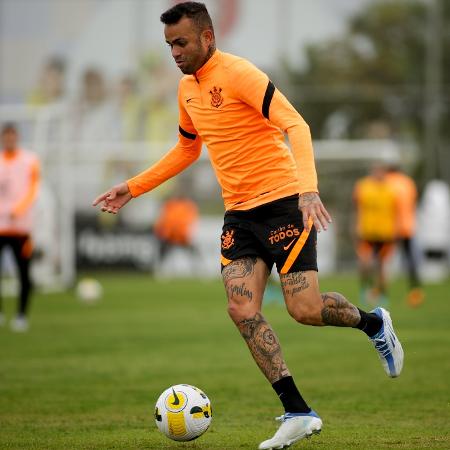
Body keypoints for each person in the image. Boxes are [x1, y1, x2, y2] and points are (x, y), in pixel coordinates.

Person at [93, 3, 404, 448]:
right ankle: (297, 411)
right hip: (239, 215)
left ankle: (374, 324)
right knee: (240, 308)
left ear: (208, 37)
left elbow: (296, 124)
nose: (174, 53)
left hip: (283, 204)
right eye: (169, 45)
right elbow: (186, 150)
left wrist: (308, 189)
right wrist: (133, 187)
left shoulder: (239, 73)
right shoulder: (186, 90)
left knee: (305, 310)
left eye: (181, 42)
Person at [0, 123, 40, 332]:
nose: (9, 140)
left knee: (24, 273)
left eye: (12, 136)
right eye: (6, 137)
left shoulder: (29, 160)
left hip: (21, 227)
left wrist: (19, 209)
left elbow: (33, 189)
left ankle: (21, 315)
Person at [353, 164, 397, 307]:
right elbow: (357, 207)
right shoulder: (363, 187)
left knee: (382, 265)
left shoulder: (391, 189)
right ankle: (365, 289)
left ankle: (382, 294)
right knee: (365, 263)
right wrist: (355, 225)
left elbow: (395, 211)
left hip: (385, 233)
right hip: (367, 231)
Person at [385, 166, 424, 307]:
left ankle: (379, 291)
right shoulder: (408, 182)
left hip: (391, 227)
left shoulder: (388, 182)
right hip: (408, 226)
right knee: (410, 259)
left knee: (384, 259)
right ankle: (415, 290)